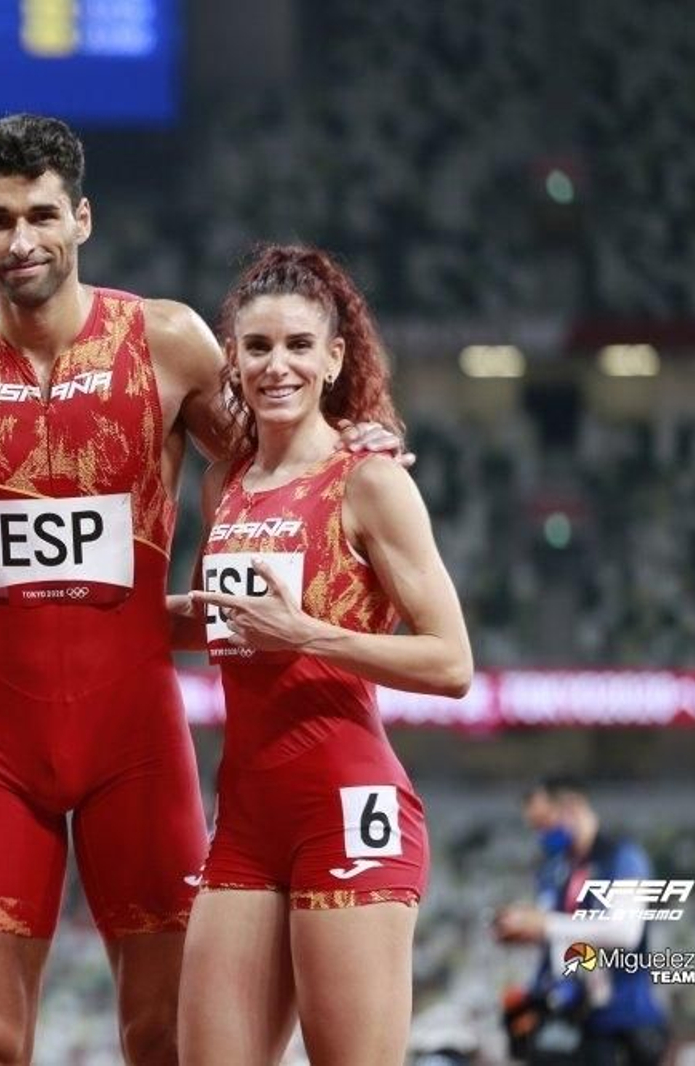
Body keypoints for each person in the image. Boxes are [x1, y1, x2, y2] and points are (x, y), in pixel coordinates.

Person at [0, 114, 405, 1065]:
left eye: (42, 215)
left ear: (82, 219)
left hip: (137, 736)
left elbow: (283, 460)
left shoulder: (166, 342)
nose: (21, 242)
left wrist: (365, 439)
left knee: (165, 1040)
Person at [173, 243, 471, 1065]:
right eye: (258, 346)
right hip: (246, 815)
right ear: (231, 356)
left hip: (349, 807)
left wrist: (304, 632)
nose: (278, 366)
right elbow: (219, 621)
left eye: (300, 346)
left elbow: (452, 662)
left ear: (334, 358)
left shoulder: (371, 482)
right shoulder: (224, 482)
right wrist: (66, 609)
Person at [493, 777, 669, 1065]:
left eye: (544, 823)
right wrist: (526, 930)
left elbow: (625, 931)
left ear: (571, 808)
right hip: (574, 1017)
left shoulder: (623, 858)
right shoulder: (557, 868)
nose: (541, 834)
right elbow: (561, 934)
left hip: (622, 1021)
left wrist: (545, 925)